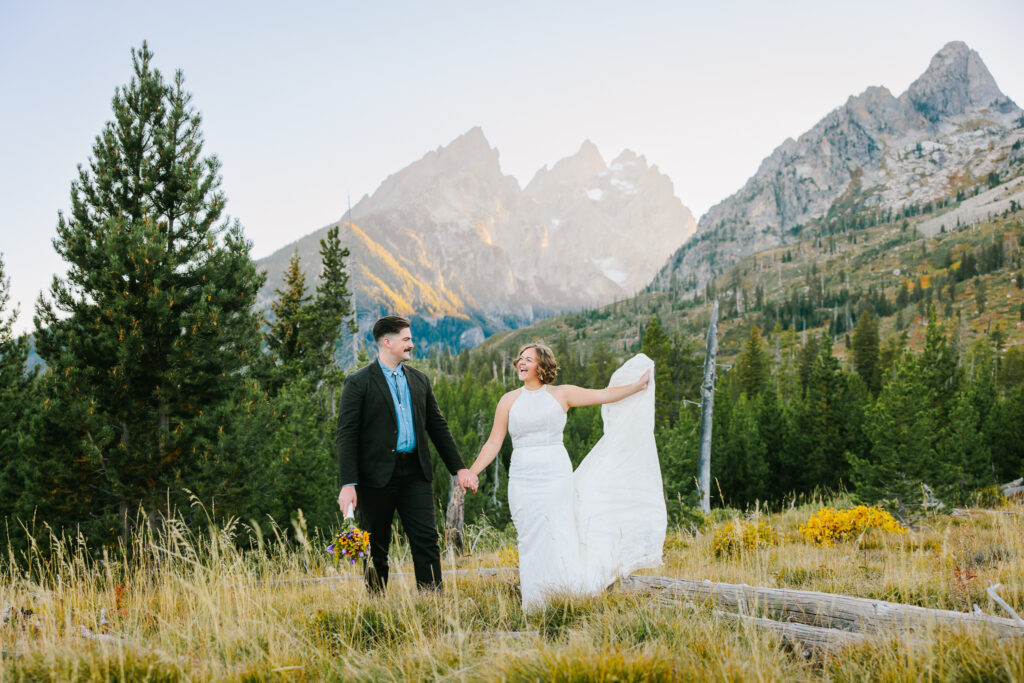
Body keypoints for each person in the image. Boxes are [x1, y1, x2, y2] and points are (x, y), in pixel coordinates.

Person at [466, 343, 666, 611]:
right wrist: (472, 471)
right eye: (520, 359)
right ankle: (535, 605)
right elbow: (493, 443)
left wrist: (636, 387)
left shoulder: (562, 394)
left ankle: (565, 597)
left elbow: (603, 395)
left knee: (557, 531)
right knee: (529, 537)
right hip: (522, 477)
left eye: (529, 359)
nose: (521, 363)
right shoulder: (509, 400)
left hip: (554, 476)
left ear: (542, 366)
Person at [337, 315, 478, 593]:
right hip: (374, 477)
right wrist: (348, 483)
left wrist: (459, 469)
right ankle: (376, 605)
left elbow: (437, 427)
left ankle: (432, 604)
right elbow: (346, 435)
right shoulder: (359, 383)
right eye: (406, 339)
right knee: (375, 544)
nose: (411, 344)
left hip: (415, 472)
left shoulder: (419, 380)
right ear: (387, 343)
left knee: (426, 540)